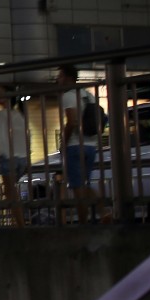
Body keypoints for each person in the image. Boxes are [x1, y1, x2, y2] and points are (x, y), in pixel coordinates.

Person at [57, 65, 101, 205]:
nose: (58, 79)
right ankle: (105, 212)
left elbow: (72, 121)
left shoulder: (68, 95)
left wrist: (63, 142)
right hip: (90, 146)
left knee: (77, 189)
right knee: (85, 185)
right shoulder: (89, 95)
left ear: (69, 78)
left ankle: (83, 224)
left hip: (75, 146)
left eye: (61, 75)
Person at [0, 91, 30, 203]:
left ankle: (19, 220)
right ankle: (20, 218)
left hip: (8, 157)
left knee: (10, 194)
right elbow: (27, 136)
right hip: (22, 158)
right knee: (13, 191)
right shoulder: (19, 115)